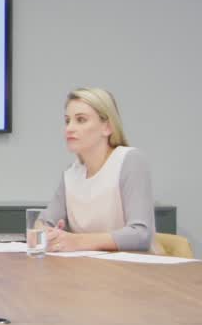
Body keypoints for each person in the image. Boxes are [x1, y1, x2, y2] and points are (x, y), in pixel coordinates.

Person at [37, 88, 154, 252]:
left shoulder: (129, 160)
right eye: (67, 120)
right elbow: (44, 223)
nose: (69, 128)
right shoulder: (71, 173)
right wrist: (46, 234)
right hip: (87, 271)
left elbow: (141, 234)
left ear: (107, 127)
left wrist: (77, 242)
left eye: (81, 120)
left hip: (131, 272)